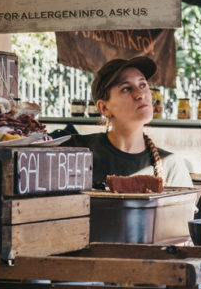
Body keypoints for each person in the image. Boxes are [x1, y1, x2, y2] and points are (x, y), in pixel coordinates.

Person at [66, 56, 193, 190]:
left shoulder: (170, 166)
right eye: (126, 88)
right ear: (104, 108)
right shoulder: (75, 151)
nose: (140, 94)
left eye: (143, 85)